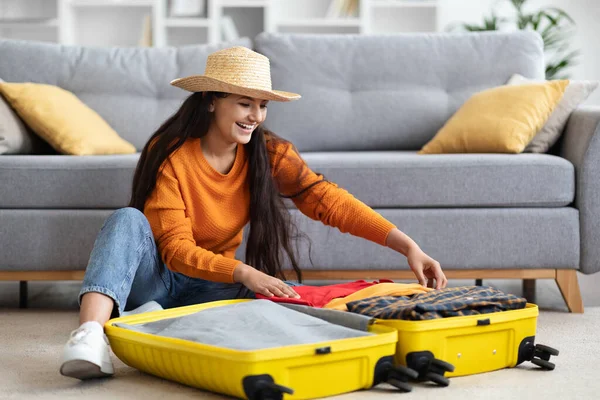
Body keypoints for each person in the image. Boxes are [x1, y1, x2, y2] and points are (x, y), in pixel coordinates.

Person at [59, 46, 447, 380]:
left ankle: (154, 317)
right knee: (126, 219)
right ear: (212, 100)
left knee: (287, 301)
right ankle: (91, 337)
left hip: (212, 287)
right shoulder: (173, 153)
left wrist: (406, 245)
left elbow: (328, 200)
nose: (256, 116)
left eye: (262, 105)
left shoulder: (268, 154)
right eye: (244, 103)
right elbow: (176, 249)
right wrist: (244, 270)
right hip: (159, 276)